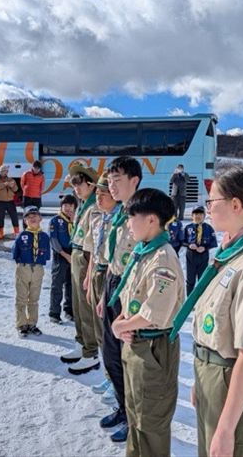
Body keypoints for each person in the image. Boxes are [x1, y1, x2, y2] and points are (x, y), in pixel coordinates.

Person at [169, 167, 243, 457]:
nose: (208, 208)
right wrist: (203, 381)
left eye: (212, 202)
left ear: (236, 205)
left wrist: (225, 429)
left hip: (234, 388)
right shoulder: (231, 256)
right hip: (215, 378)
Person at [109, 188, 185, 457]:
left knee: (150, 423)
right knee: (136, 418)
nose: (128, 224)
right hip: (136, 342)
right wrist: (122, 321)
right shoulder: (144, 252)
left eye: (132, 217)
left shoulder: (162, 257)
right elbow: (131, 297)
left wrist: (120, 327)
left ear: (152, 219)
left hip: (153, 348)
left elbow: (156, 314)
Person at [98, 156, 142, 443]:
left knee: (129, 359)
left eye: (117, 180)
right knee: (111, 354)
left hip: (131, 291)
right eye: (109, 181)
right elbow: (111, 259)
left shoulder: (142, 213)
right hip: (113, 284)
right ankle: (122, 406)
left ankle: (134, 418)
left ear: (134, 181)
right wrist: (104, 294)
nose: (111, 186)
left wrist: (130, 305)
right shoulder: (117, 214)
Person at [60, 163, 102, 376]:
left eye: (78, 183)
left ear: (90, 184)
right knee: (77, 304)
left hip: (86, 257)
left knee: (85, 306)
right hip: (77, 254)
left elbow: (94, 240)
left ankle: (91, 352)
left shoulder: (95, 205)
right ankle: (81, 342)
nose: (75, 187)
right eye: (72, 183)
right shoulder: (84, 204)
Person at [85, 173, 120, 395]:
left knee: (111, 333)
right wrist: (89, 279)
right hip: (97, 274)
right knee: (100, 331)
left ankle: (118, 381)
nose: (99, 197)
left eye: (103, 193)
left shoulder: (120, 220)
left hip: (111, 275)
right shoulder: (98, 217)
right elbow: (92, 252)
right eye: (97, 193)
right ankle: (109, 376)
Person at [12, 206, 50, 336]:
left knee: (34, 298)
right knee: (21, 298)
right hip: (24, 268)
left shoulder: (45, 237)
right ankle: (22, 324)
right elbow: (15, 254)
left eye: (35, 216)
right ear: (24, 221)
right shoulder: (21, 236)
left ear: (41, 218)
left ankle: (32, 323)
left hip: (38, 269)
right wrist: (22, 266)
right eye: (29, 216)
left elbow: (47, 255)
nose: (32, 218)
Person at [49, 194, 77, 324]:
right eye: (65, 205)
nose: (68, 208)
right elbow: (54, 240)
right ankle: (54, 313)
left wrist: (75, 222)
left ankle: (69, 310)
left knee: (71, 285)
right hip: (60, 254)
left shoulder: (77, 221)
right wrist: (66, 255)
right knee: (57, 285)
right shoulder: (55, 220)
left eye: (71, 205)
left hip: (74, 254)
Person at [184, 206, 218, 295]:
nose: (197, 216)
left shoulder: (209, 228)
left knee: (202, 280)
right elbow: (182, 241)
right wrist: (189, 245)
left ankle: (200, 301)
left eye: (200, 214)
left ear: (204, 215)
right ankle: (189, 300)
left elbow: (214, 242)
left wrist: (205, 248)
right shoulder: (188, 228)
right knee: (190, 281)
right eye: (195, 214)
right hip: (191, 256)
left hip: (203, 256)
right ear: (192, 216)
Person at [0, 164, 19, 240]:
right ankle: (0, 232)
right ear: (0, 171)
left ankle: (16, 232)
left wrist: (12, 186)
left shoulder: (11, 179)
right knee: (0, 217)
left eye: (6, 171)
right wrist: (5, 184)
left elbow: (16, 189)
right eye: (3, 171)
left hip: (10, 201)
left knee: (14, 216)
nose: (5, 172)